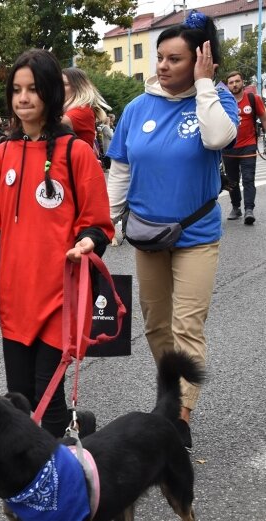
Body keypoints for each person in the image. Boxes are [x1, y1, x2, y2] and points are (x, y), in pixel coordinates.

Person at [0, 49, 114, 439]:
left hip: (62, 294)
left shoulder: (76, 153)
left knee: (47, 393)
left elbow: (98, 224)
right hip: (16, 296)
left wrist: (87, 242)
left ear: (50, 93)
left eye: (33, 89)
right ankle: (76, 432)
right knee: (20, 396)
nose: (23, 98)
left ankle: (51, 480)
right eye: (16, 90)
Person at [106, 10, 238, 450]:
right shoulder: (137, 108)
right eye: (160, 57)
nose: (162, 66)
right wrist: (107, 224)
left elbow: (218, 138)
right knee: (155, 324)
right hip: (147, 234)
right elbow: (121, 169)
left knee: (186, 325)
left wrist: (204, 87)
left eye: (174, 59)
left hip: (196, 237)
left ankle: (181, 414)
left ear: (201, 61)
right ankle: (171, 390)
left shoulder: (217, 99)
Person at [222, 71, 266, 225]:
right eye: (231, 82)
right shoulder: (223, 102)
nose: (234, 84)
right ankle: (236, 208)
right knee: (232, 181)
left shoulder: (254, 99)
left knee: (248, 179)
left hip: (248, 146)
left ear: (242, 82)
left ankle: (249, 209)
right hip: (228, 147)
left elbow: (263, 118)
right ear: (227, 85)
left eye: (237, 81)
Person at [61, 67, 111, 150]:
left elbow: (51, 124)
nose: (59, 88)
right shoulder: (69, 109)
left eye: (64, 84)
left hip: (77, 161)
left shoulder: (82, 110)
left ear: (78, 87)